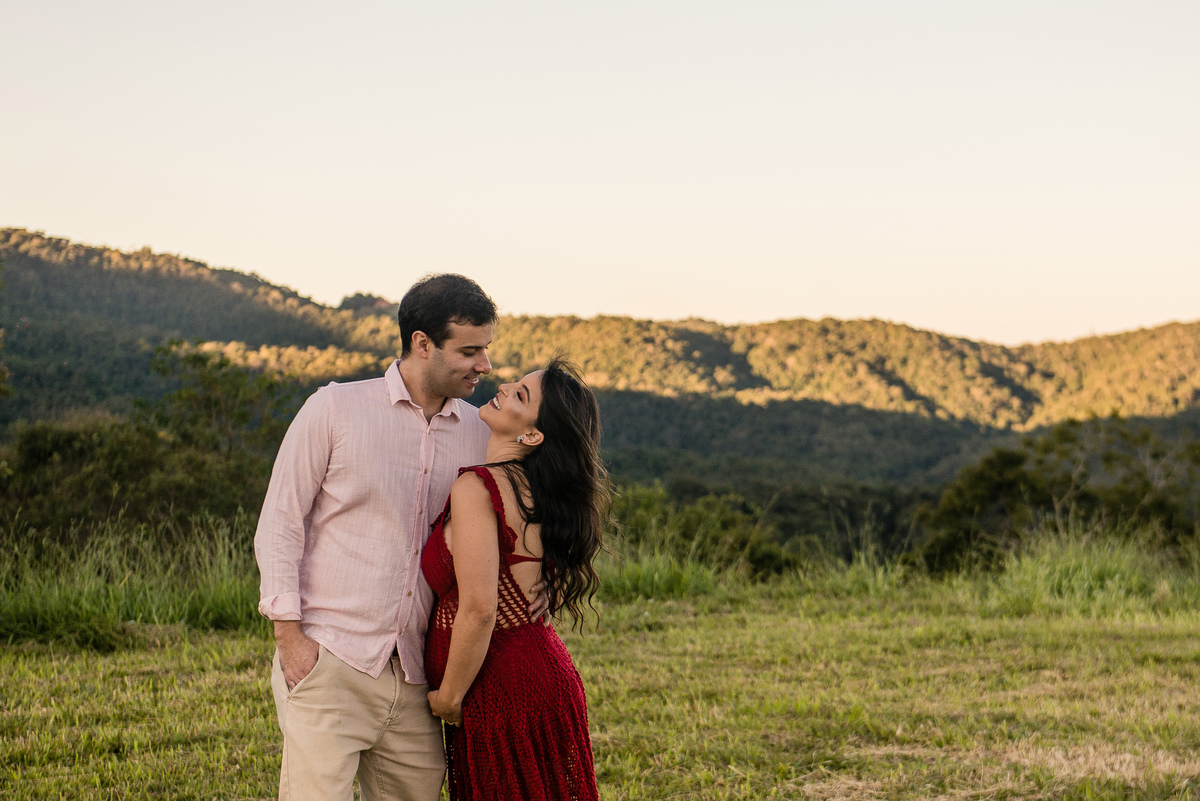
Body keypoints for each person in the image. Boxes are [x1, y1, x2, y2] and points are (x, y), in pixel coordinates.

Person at [254, 273, 545, 801]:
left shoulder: (481, 433)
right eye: (470, 351)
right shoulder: (334, 409)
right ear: (422, 343)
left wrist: (546, 576)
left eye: (486, 349)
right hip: (330, 659)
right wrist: (290, 641)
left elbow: (518, 515)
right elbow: (281, 521)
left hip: (418, 677)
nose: (484, 365)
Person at [422, 357, 606, 801]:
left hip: (500, 689)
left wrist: (449, 697)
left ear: (532, 436)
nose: (503, 386)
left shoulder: (477, 488)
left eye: (519, 394)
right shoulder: (538, 490)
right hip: (543, 676)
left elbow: (480, 610)